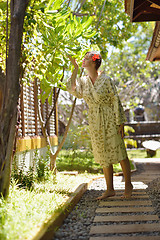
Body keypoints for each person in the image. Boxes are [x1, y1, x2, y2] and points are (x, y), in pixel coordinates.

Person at [66, 51, 133, 200]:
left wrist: (120, 121)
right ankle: (110, 189)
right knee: (102, 152)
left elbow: (115, 100)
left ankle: (128, 184)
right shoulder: (83, 81)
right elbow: (72, 89)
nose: (83, 60)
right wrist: (75, 68)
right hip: (95, 119)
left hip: (110, 117)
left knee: (119, 150)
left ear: (94, 62)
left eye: (86, 58)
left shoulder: (106, 80)